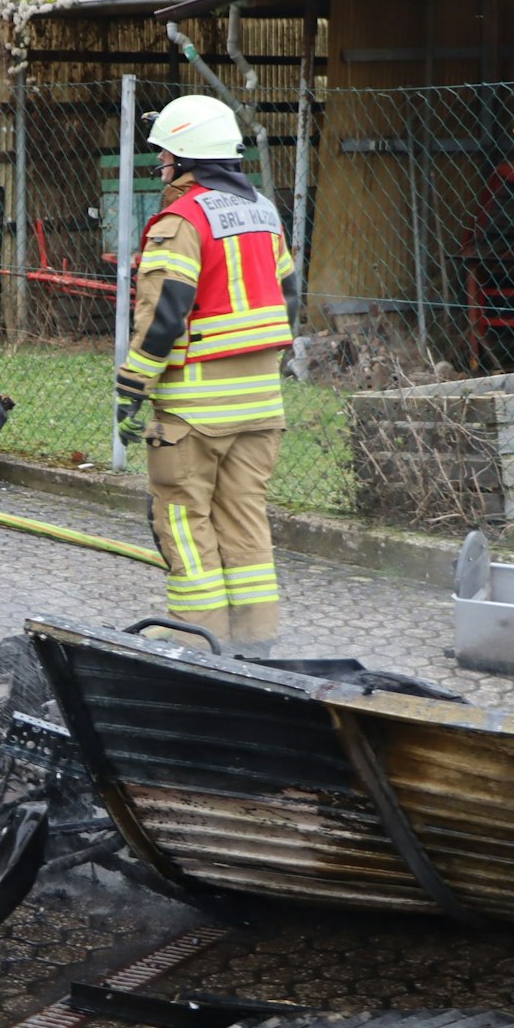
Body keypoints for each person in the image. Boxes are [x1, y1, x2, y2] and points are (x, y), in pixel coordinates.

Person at [114, 95, 300, 656]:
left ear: (187, 158)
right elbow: (287, 298)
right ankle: (255, 643)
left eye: (166, 154)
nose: (162, 164)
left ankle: (198, 646)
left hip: (196, 411)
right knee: (245, 519)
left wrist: (131, 391)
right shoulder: (264, 212)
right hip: (261, 405)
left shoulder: (183, 220)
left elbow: (164, 314)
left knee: (185, 521)